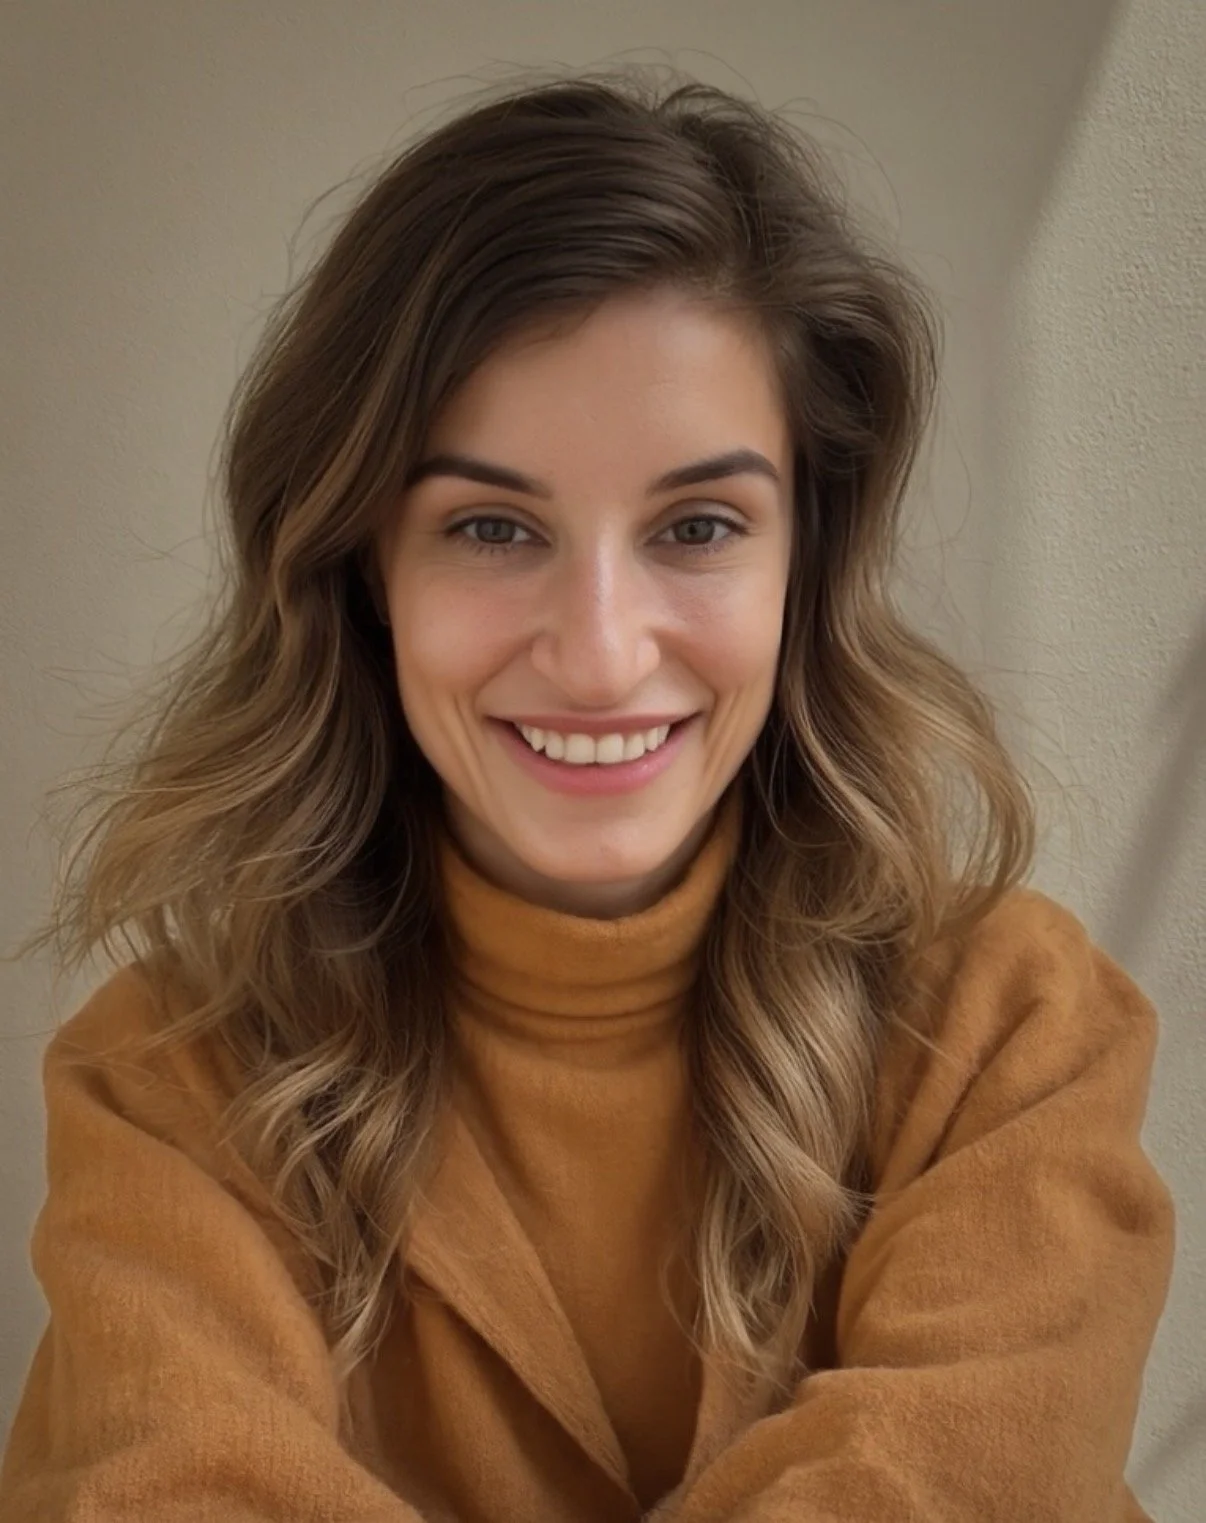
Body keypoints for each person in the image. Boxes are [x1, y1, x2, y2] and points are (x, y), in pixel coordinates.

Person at [0, 67, 1174, 1523]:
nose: (602, 652)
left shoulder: (1012, 1030)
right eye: (491, 525)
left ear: (807, 552)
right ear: (364, 564)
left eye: (696, 524)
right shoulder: (171, 1080)